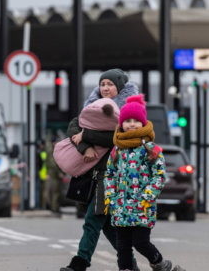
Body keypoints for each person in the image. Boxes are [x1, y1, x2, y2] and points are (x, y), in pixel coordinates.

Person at [61, 68, 140, 271]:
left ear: (120, 87)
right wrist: (85, 146)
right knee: (107, 226)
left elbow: (117, 138)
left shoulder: (130, 111)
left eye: (110, 84)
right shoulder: (92, 106)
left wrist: (87, 135)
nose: (105, 88)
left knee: (93, 220)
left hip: (113, 176)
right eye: (102, 84)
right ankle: (131, 264)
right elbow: (73, 128)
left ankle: (80, 263)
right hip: (93, 175)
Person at [105, 95, 184, 271]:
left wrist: (148, 194)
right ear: (121, 124)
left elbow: (159, 174)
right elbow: (109, 174)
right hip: (120, 207)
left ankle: (159, 263)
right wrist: (110, 196)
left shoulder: (150, 149)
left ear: (143, 123)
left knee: (141, 242)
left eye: (135, 121)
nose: (131, 124)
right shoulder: (117, 149)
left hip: (142, 206)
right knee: (122, 247)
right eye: (127, 121)